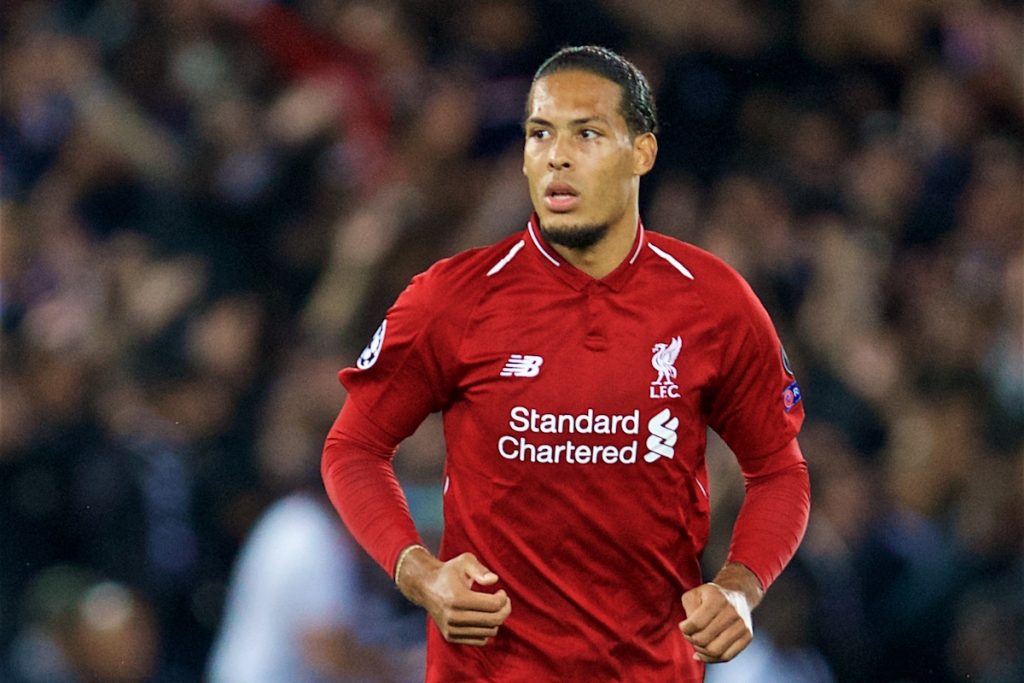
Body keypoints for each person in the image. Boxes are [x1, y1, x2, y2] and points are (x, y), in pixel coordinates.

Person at [321, 45, 810, 682]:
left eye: (587, 133)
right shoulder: (454, 299)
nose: (557, 155)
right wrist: (418, 573)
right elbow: (352, 446)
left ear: (642, 152)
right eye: (539, 133)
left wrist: (743, 586)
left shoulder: (713, 303)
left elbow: (778, 470)